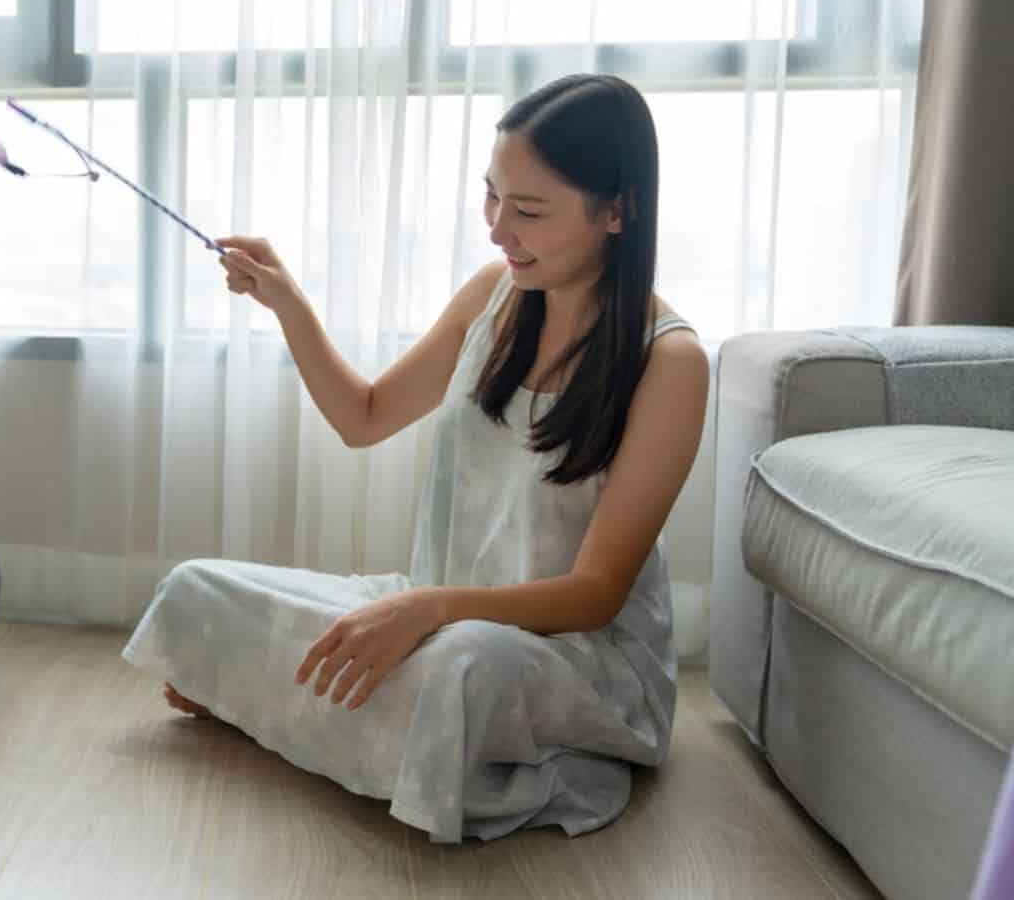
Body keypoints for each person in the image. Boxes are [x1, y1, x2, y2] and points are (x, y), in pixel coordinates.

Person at [122, 73, 711, 843]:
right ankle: (361, 727)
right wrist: (287, 304)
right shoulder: (492, 297)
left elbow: (595, 595)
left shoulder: (670, 362)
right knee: (197, 589)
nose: (500, 228)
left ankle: (281, 708)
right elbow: (363, 418)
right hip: (437, 613)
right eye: (492, 196)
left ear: (618, 211)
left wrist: (428, 609)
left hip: (562, 657)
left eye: (529, 210)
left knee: (454, 672)